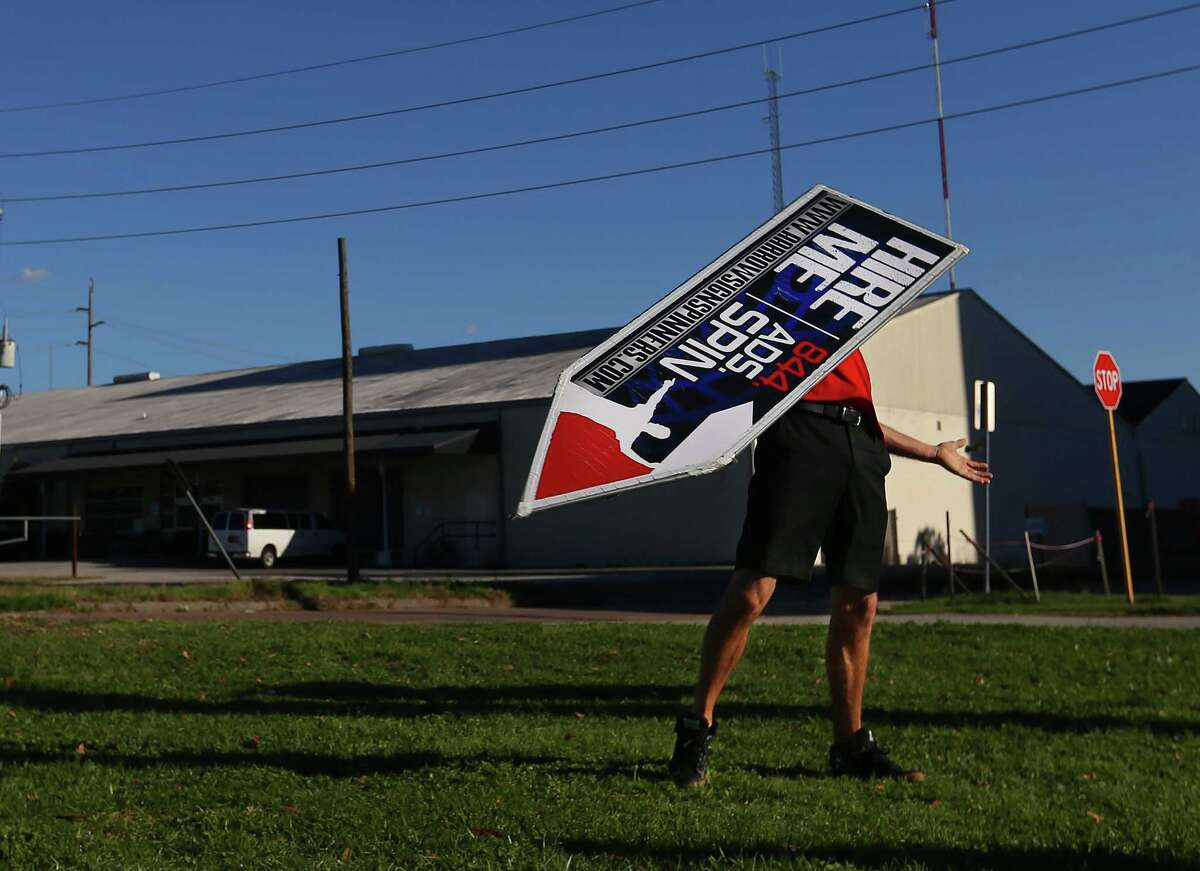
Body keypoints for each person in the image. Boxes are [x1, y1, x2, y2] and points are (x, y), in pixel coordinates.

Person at [668, 348, 992, 788]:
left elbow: (865, 418)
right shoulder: (775, 310)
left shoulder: (850, 326)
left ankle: (850, 746)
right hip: (797, 436)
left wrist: (933, 453)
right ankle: (696, 729)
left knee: (860, 603)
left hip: (861, 446)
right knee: (752, 592)